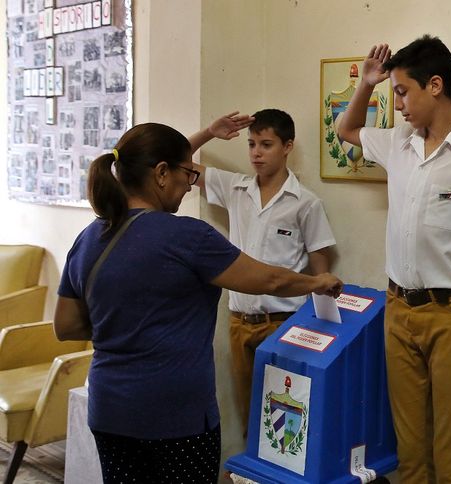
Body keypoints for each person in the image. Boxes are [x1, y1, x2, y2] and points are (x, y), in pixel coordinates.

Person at [53, 122, 343, 484]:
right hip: (176, 414)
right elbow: (268, 279)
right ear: (161, 173)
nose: (189, 184)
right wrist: (317, 281)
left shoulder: (89, 237)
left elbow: (65, 326)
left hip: (110, 409)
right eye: (186, 174)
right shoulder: (186, 236)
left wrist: (123, 320)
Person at [336, 35, 451, 483]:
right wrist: (369, 83)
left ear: (434, 85)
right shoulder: (398, 143)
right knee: (409, 450)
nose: (397, 104)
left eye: (402, 92)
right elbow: (345, 131)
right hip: (398, 311)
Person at [187, 109, 337, 433]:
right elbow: (174, 161)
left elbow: (320, 272)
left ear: (287, 146)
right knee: (250, 417)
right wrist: (210, 132)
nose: (256, 152)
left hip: (285, 325)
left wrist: (320, 327)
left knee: (286, 422)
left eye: (266, 144)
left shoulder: (305, 202)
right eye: (252, 144)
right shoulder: (235, 188)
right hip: (241, 324)